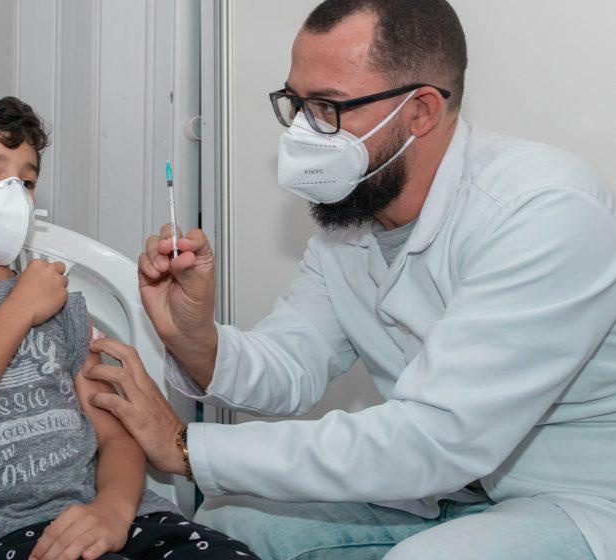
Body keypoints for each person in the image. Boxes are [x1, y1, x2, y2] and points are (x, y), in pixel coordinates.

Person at [83, 1, 616, 559]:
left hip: (577, 497)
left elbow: (435, 437)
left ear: (420, 112)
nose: (302, 132)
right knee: (231, 519)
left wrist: (185, 447)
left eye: (328, 107)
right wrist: (194, 337)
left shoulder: (544, 212)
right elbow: (292, 364)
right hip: (448, 488)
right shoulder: (354, 223)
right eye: (296, 104)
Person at [0, 87, 259, 560]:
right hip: (12, 535)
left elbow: (115, 435)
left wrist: (113, 510)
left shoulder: (62, 304)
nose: (14, 193)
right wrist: (19, 307)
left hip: (129, 519)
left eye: (26, 181)